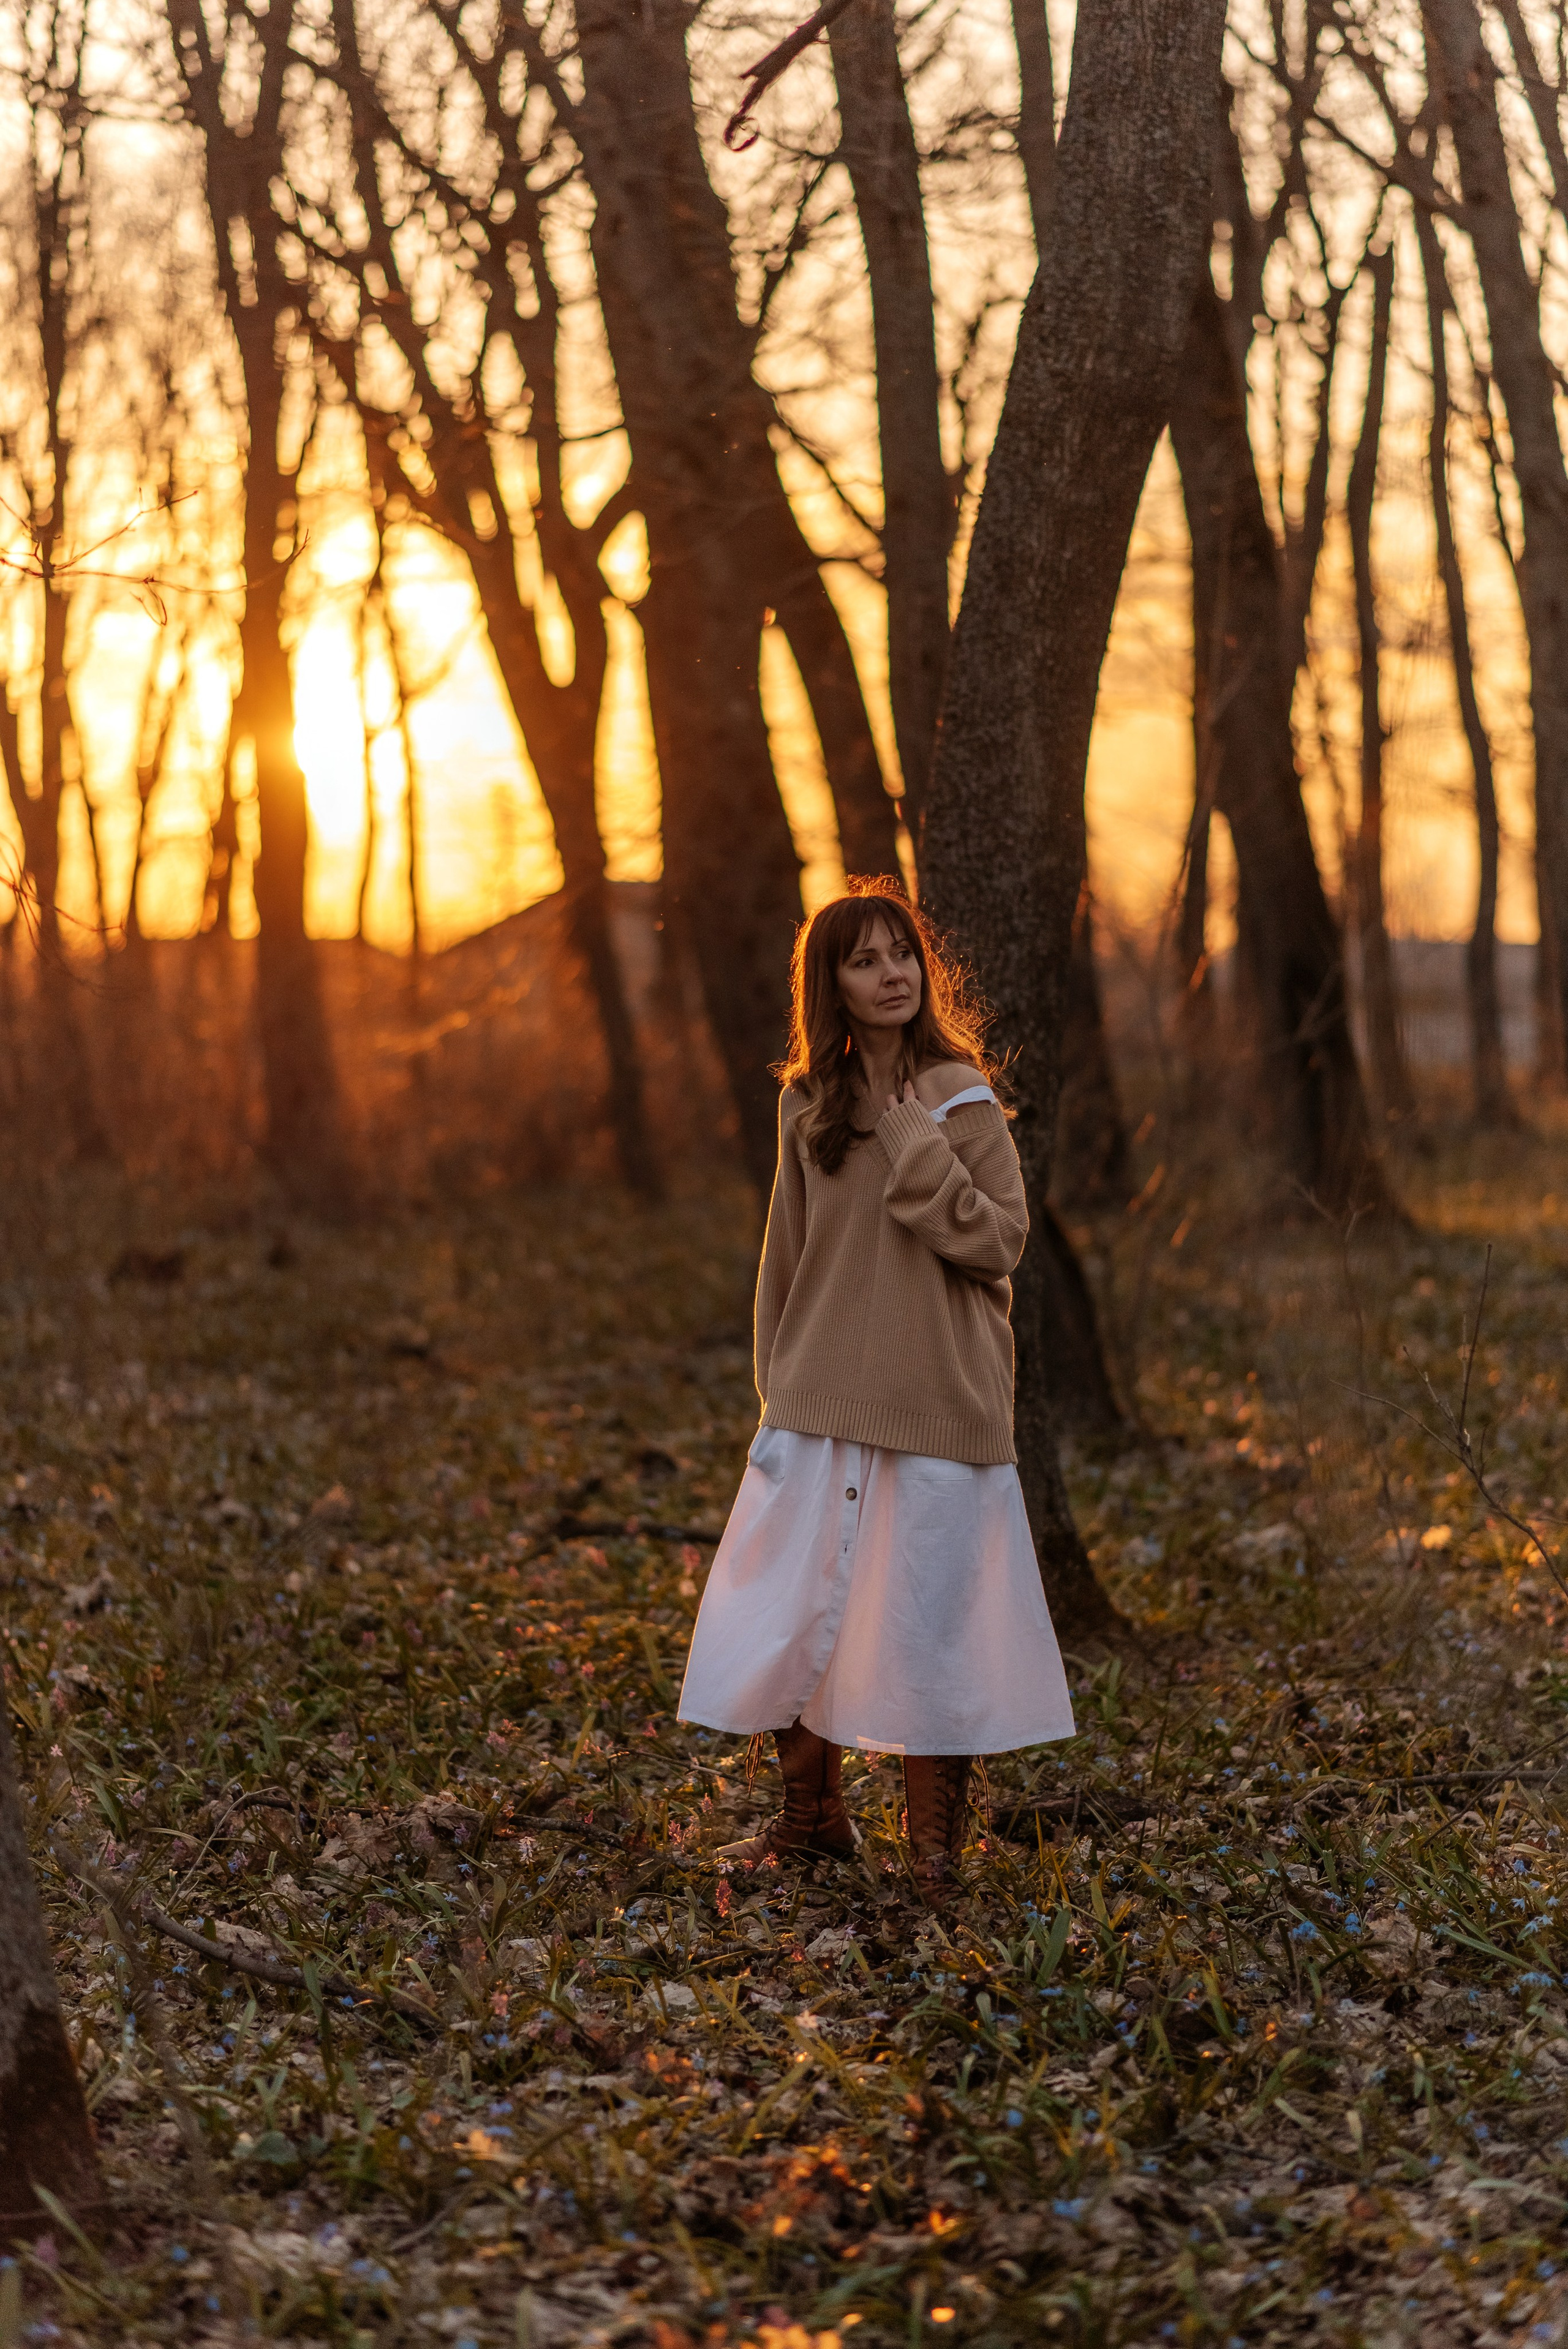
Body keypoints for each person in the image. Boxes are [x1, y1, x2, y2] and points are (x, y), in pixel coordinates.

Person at [679, 880, 1075, 1896]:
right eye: (865, 960)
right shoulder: (807, 1103)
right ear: (833, 985)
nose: (891, 974)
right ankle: (811, 1821)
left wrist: (915, 1147)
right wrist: (779, 1389)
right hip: (816, 1401)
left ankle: (935, 1853)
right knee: (793, 1608)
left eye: (903, 954)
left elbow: (998, 1243)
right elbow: (788, 1257)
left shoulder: (961, 1095)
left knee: (928, 1619)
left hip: (941, 1402)